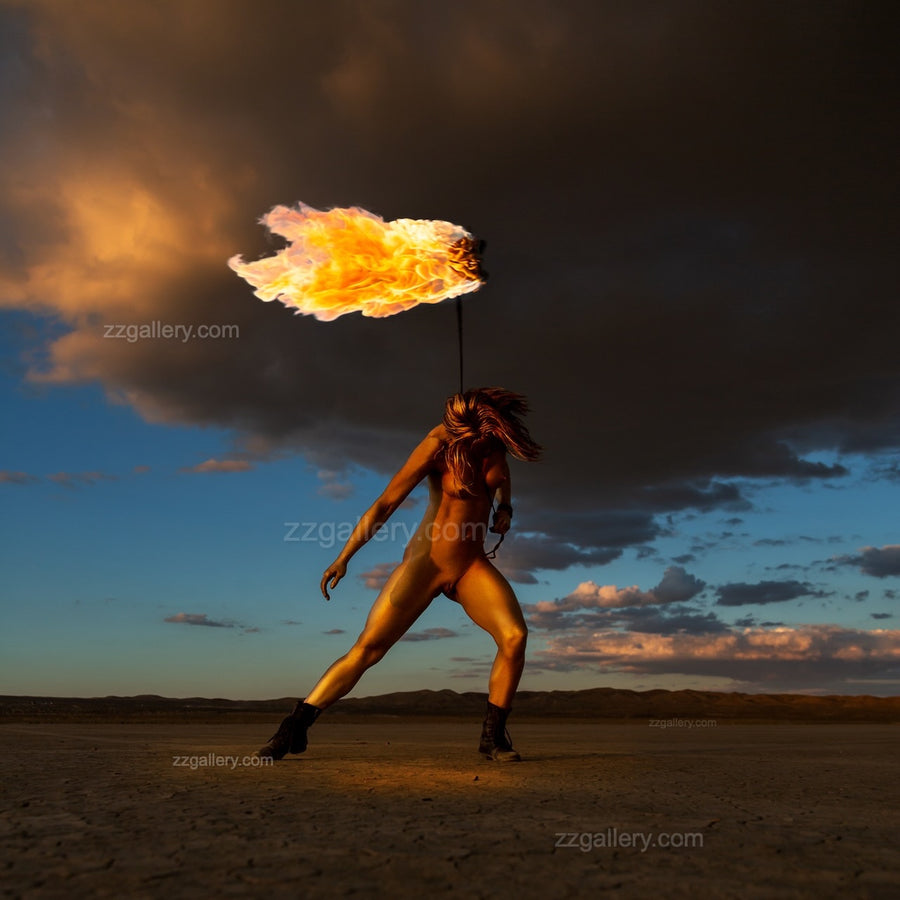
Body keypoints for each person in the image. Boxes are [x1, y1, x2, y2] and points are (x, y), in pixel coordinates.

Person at [258, 387, 542, 762]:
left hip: (470, 565)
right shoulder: (438, 445)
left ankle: (493, 738)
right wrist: (344, 557)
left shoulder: (495, 444)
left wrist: (505, 510)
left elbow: (502, 481)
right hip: (428, 562)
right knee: (369, 649)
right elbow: (386, 504)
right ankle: (294, 727)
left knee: (515, 637)